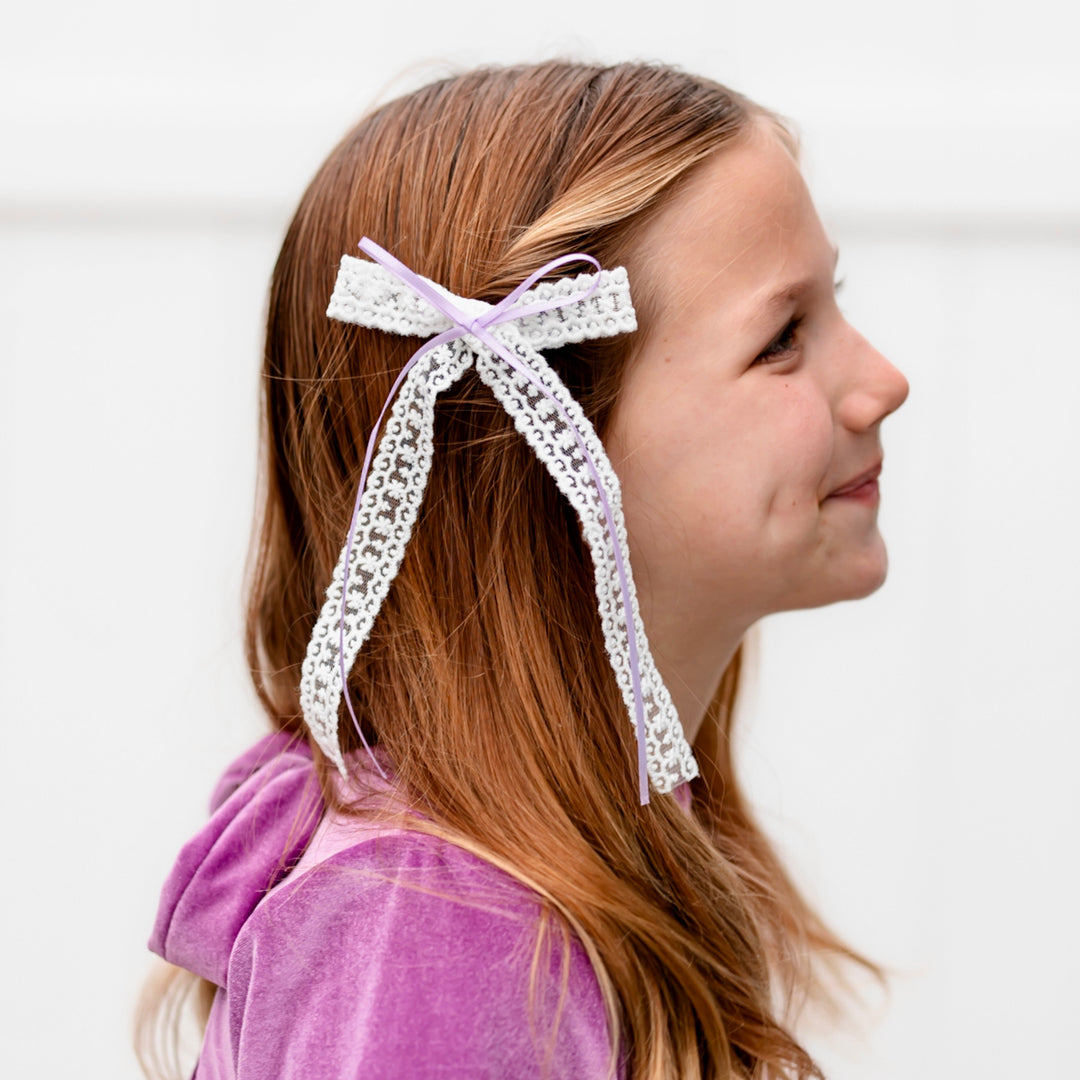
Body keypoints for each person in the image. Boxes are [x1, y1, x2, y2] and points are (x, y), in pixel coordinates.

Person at [140, 60, 909, 1080]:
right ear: (540, 454)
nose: (882, 382)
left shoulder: (552, 863)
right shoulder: (437, 925)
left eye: (835, 302)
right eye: (782, 339)